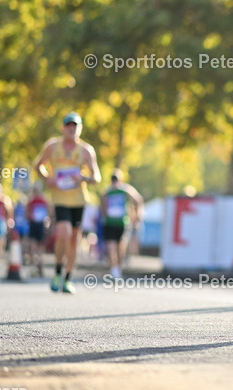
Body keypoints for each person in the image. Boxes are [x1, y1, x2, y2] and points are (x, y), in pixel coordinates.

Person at [32, 112, 101, 294]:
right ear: (62, 128)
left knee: (74, 239)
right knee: (64, 232)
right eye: (68, 125)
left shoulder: (86, 150)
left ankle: (68, 278)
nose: (72, 129)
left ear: (80, 129)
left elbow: (97, 177)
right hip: (60, 198)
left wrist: (83, 177)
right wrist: (47, 178)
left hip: (78, 199)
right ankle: (57, 272)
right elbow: (38, 165)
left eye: (75, 126)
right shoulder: (52, 146)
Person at [101, 169, 145, 280]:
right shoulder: (107, 191)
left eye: (116, 179)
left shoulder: (125, 190)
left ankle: (118, 268)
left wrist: (137, 215)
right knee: (111, 247)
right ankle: (114, 270)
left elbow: (138, 200)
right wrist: (104, 215)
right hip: (110, 223)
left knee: (121, 248)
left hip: (122, 223)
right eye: (113, 179)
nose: (114, 181)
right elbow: (102, 204)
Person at [26, 184, 50, 277]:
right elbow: (49, 212)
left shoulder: (34, 200)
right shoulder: (42, 200)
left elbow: (27, 213)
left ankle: (36, 264)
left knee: (35, 246)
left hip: (37, 224)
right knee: (37, 246)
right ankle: (38, 264)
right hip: (38, 224)